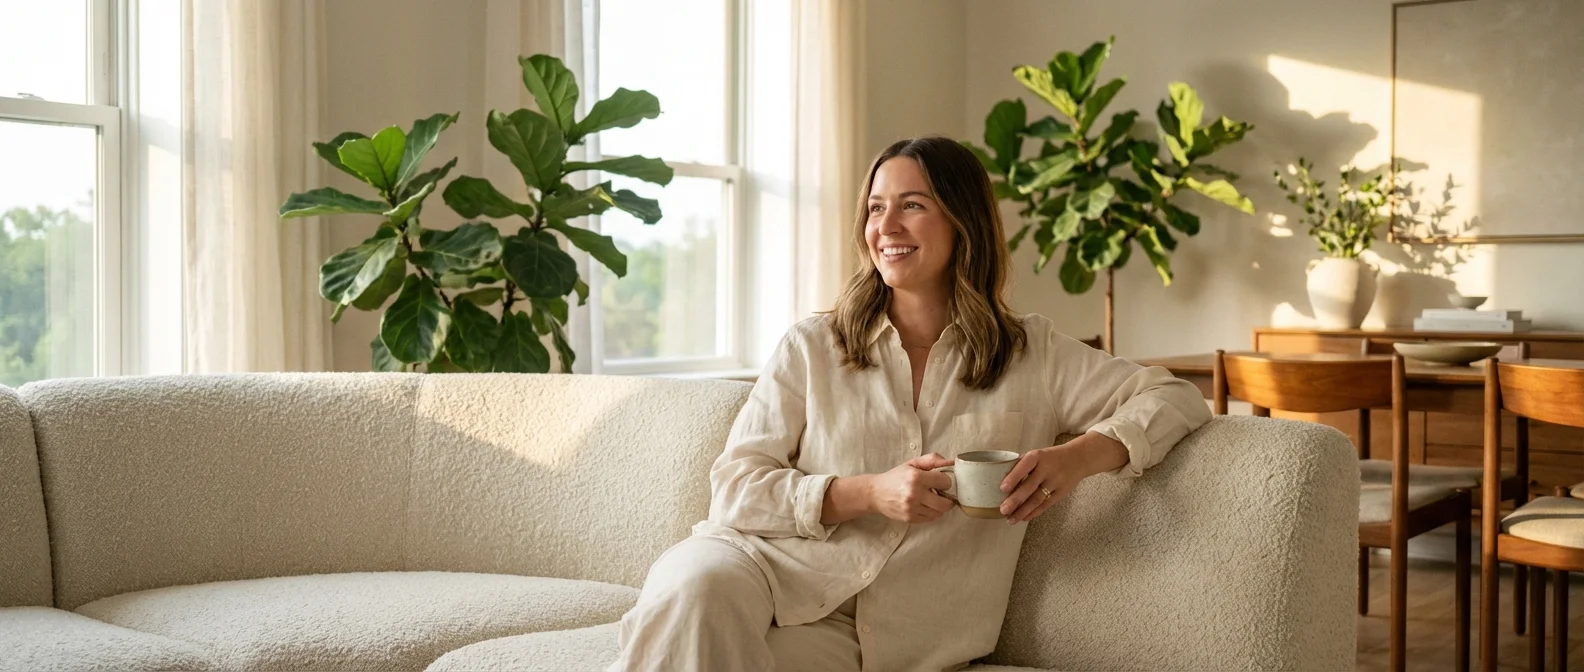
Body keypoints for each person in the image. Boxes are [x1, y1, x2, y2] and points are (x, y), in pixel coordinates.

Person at [608, 136, 1212, 671]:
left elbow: (1175, 396)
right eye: (876, 207)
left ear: (962, 222)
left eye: (912, 205)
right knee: (692, 594)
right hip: (756, 569)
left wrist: (1079, 456)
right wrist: (868, 493)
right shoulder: (814, 346)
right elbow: (734, 489)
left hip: (885, 638)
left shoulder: (1035, 352)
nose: (886, 226)